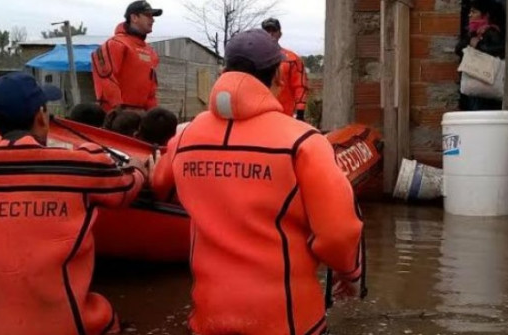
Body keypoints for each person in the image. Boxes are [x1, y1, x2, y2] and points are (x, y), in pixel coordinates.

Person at [150, 29, 364, 335]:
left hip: (208, 318)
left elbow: (160, 185)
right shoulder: (303, 141)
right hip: (289, 320)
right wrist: (350, 273)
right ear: (278, 75)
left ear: (224, 72)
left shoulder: (184, 136)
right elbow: (338, 233)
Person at [0, 72, 148, 335]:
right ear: (40, 116)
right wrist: (138, 168)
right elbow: (125, 189)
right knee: (107, 316)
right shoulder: (77, 169)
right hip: (69, 327)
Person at [92, 0, 162, 112]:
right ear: (134, 18)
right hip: (117, 114)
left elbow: (151, 89)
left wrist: (153, 113)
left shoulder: (150, 52)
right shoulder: (116, 44)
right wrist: (116, 110)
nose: (152, 20)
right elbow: (105, 79)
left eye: (153, 16)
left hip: (141, 116)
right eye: (148, 15)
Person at [455, 0, 506, 111]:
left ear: (485, 15)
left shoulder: (491, 32)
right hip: (474, 83)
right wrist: (470, 41)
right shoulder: (472, 32)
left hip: (486, 85)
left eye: (474, 12)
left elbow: (500, 50)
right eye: (470, 11)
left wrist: (479, 46)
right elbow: (458, 49)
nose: (470, 15)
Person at [261, 18, 310, 121]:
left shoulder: (292, 59)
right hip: (260, 115)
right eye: (267, 31)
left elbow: (300, 86)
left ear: (280, 34)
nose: (270, 34)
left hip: (285, 116)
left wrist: (300, 111)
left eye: (273, 31)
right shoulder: (253, 58)